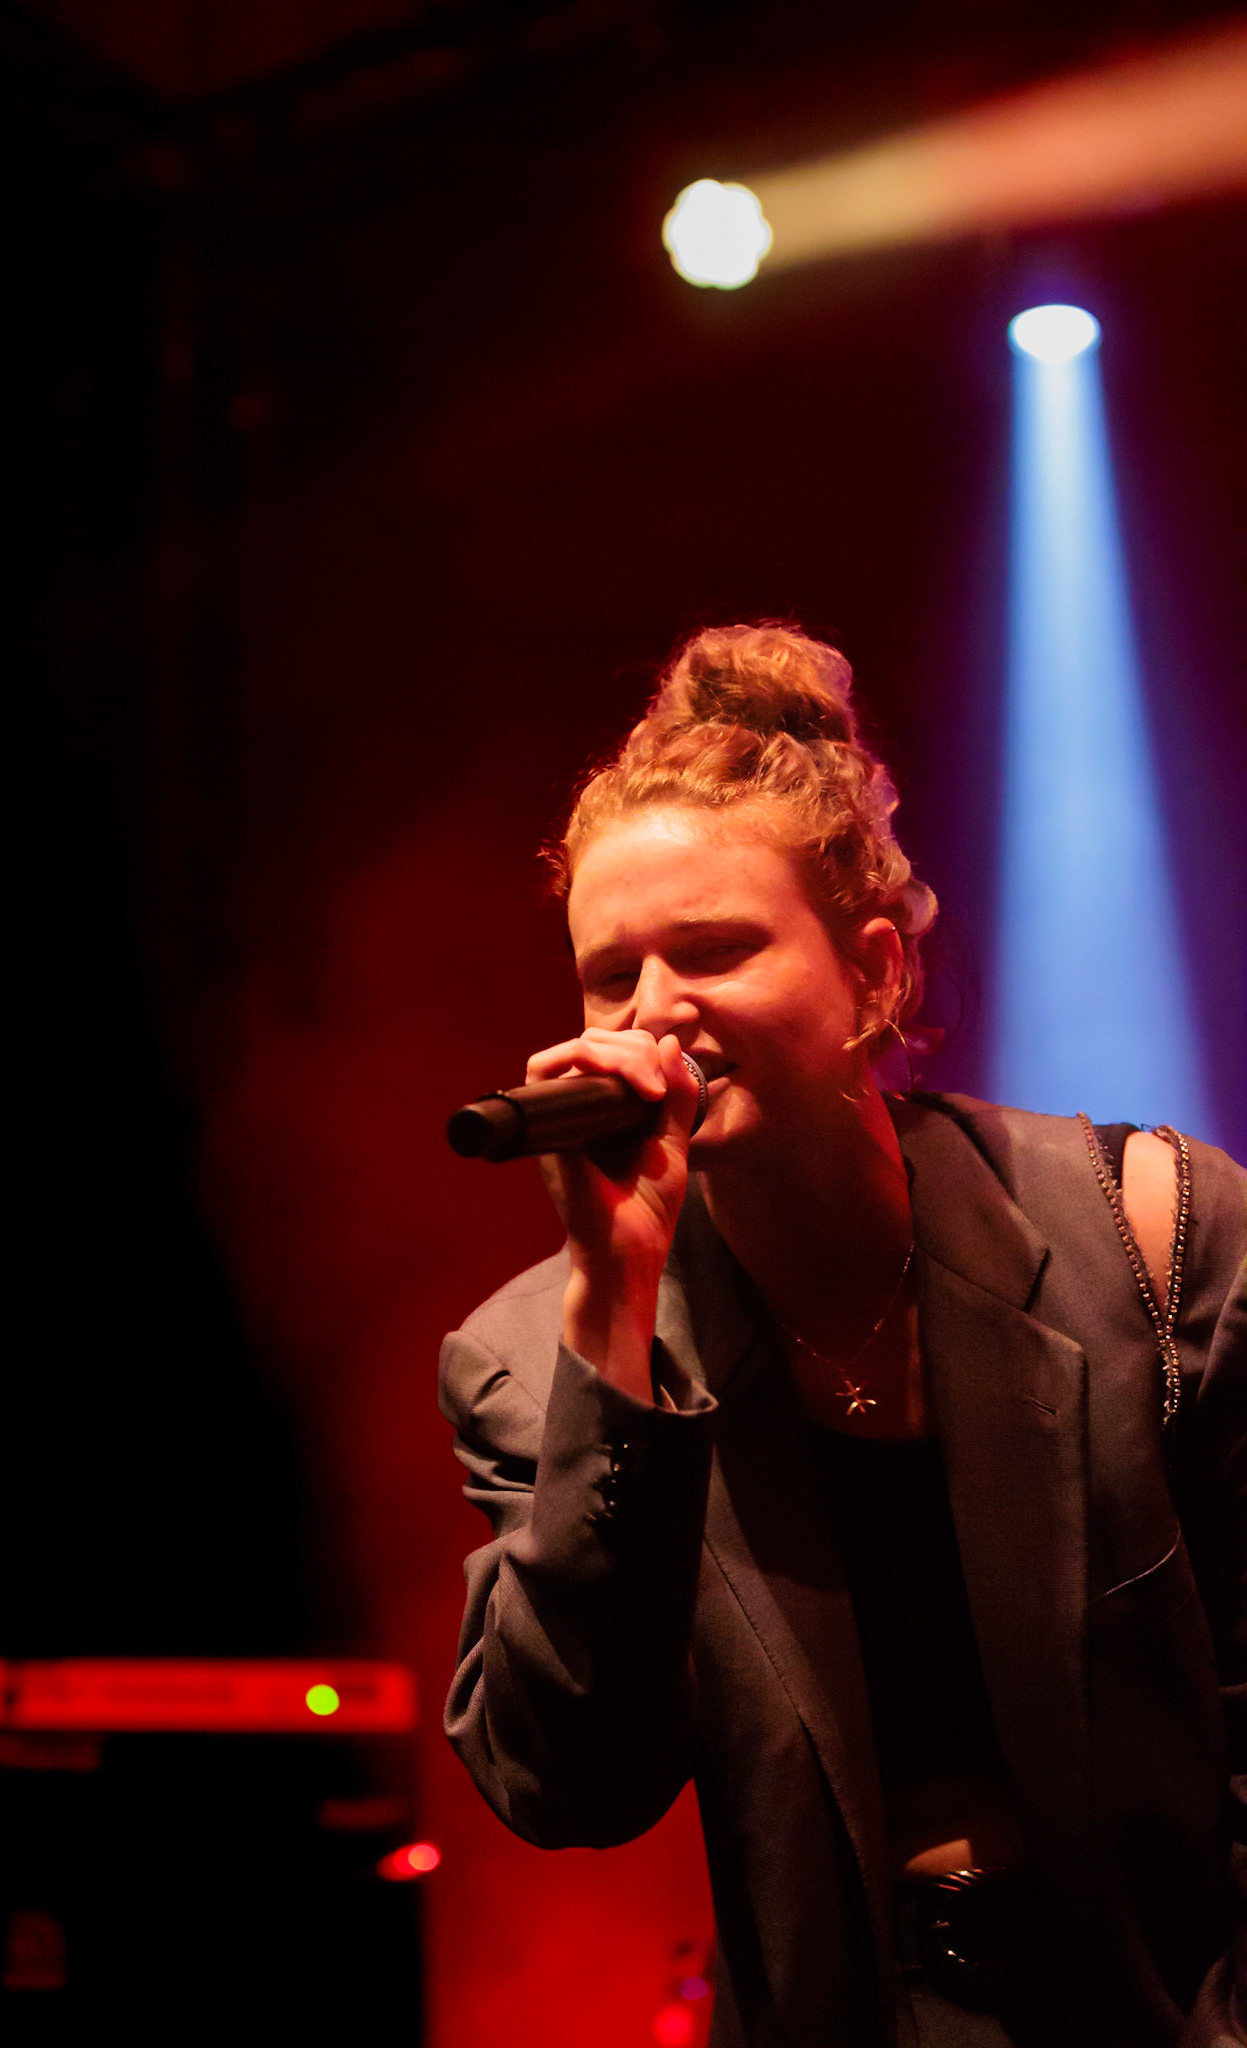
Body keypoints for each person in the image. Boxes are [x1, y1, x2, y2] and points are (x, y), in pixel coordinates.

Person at [439, 621, 1245, 2047]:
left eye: (713, 952)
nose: (653, 1016)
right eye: (611, 976)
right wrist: (613, 1314)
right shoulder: (530, 1361)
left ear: (873, 976)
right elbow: (568, 1784)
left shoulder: (1153, 1232)